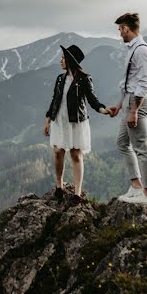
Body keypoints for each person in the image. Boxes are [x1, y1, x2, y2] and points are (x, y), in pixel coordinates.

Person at [43, 44, 112, 200]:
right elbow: (55, 100)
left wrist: (103, 110)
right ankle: (59, 186)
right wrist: (48, 120)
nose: (61, 60)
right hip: (59, 121)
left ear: (69, 60)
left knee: (75, 155)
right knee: (58, 152)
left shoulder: (84, 78)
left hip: (76, 122)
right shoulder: (60, 79)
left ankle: (77, 193)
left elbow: (92, 99)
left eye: (63, 58)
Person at [106, 12, 147, 207]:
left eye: (120, 29)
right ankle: (136, 186)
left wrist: (134, 110)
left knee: (143, 148)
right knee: (122, 143)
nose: (120, 33)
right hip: (129, 101)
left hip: (138, 103)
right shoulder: (133, 49)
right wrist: (120, 105)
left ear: (127, 28)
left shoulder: (142, 51)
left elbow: (144, 84)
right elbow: (128, 83)